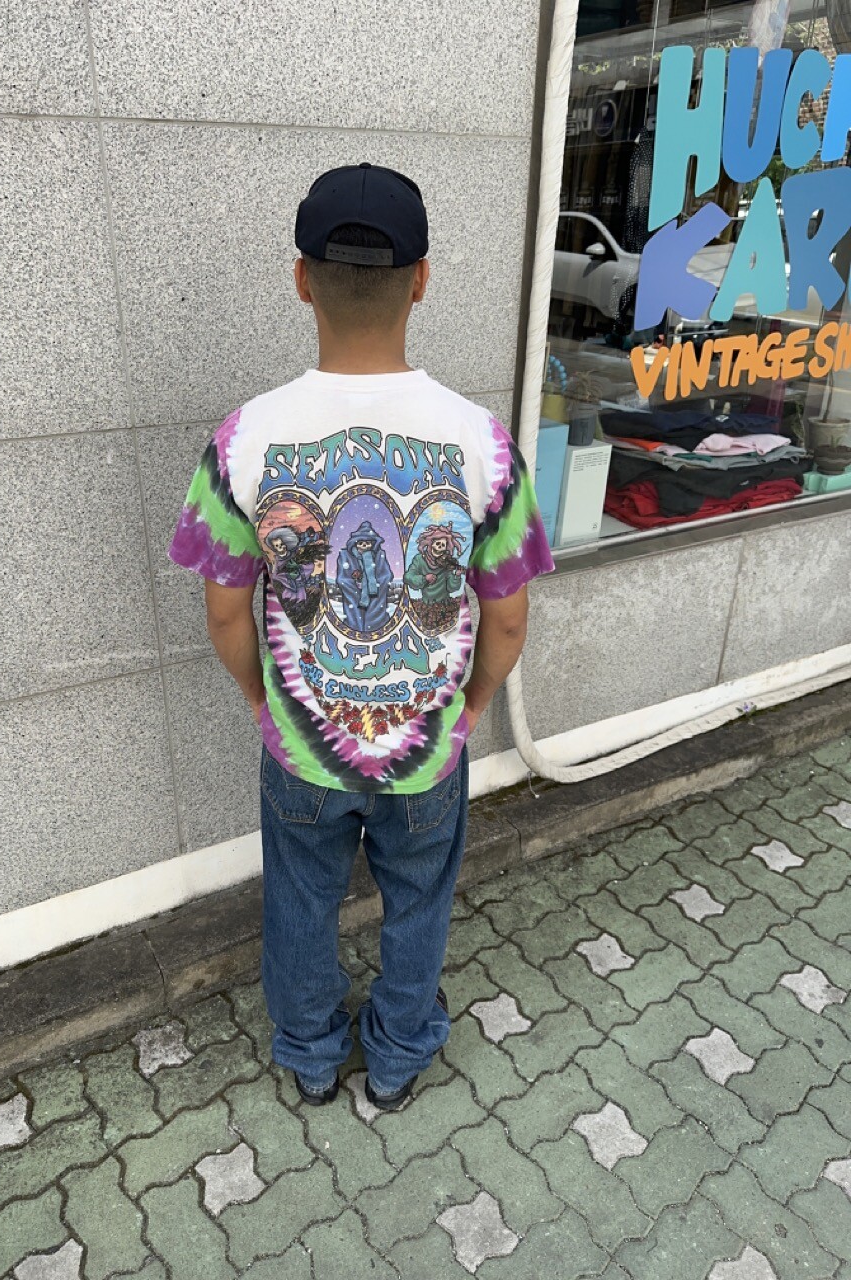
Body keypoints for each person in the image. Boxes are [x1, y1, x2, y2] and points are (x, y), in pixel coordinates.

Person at [167, 162, 555, 1111]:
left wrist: (263, 702)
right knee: (419, 901)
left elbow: (225, 611)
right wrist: (468, 710)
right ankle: (397, 1057)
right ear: (421, 281)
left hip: (304, 747)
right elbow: (508, 614)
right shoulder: (482, 442)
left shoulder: (243, 439)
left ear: (302, 278)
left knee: (300, 901)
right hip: (426, 749)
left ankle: (309, 1055)